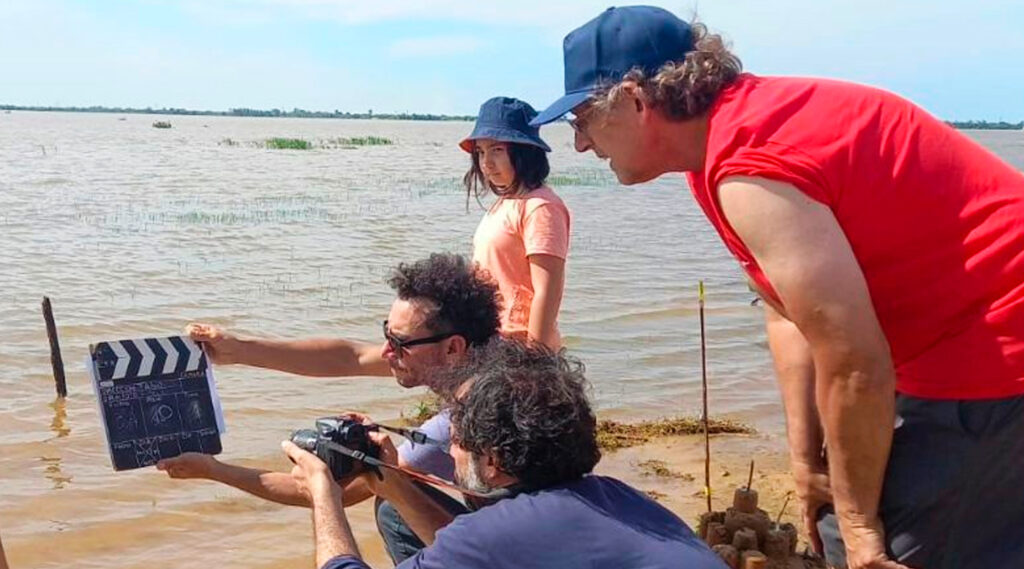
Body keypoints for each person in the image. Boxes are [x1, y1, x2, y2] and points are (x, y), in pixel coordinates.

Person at [529, 6, 1024, 569]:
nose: (581, 146)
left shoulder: (751, 161)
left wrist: (860, 528)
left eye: (582, 120)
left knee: (863, 546)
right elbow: (788, 314)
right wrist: (806, 463)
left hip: (996, 347)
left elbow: (853, 358)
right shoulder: (720, 148)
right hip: (963, 341)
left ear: (637, 101)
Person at [157, 252, 502, 564]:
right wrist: (236, 350)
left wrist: (213, 470)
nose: (385, 352)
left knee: (395, 507)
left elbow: (339, 492)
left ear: (453, 348)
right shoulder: (490, 359)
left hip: (517, 552)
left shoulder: (463, 423)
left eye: (398, 343)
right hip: (537, 536)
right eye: (386, 334)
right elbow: (347, 356)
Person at [284, 339, 729, 569]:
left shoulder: (503, 532)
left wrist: (324, 494)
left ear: (493, 461)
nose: (451, 451)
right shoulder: (615, 495)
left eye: (457, 439)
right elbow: (475, 551)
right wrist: (395, 485)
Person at [462, 96, 570, 349]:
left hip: (519, 348)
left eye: (497, 150)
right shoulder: (505, 203)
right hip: (491, 341)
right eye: (480, 152)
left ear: (524, 153)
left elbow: (547, 292)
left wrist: (535, 362)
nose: (487, 163)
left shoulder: (541, 207)